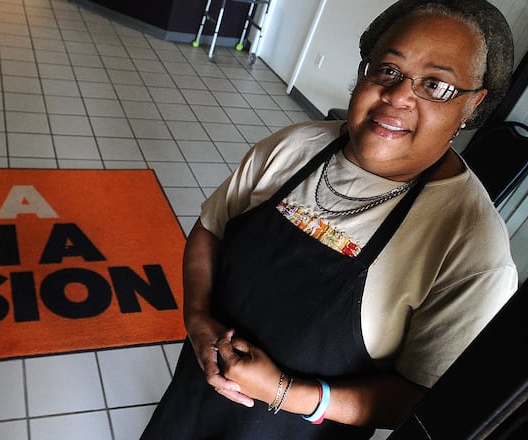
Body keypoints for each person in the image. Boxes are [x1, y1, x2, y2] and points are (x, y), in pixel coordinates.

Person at [141, 0, 519, 438]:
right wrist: (198, 320)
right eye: (387, 70)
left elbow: (421, 396)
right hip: (192, 400)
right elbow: (210, 231)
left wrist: (285, 392)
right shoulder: (293, 146)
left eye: (436, 85)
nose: (397, 96)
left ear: (472, 106)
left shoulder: (471, 248)